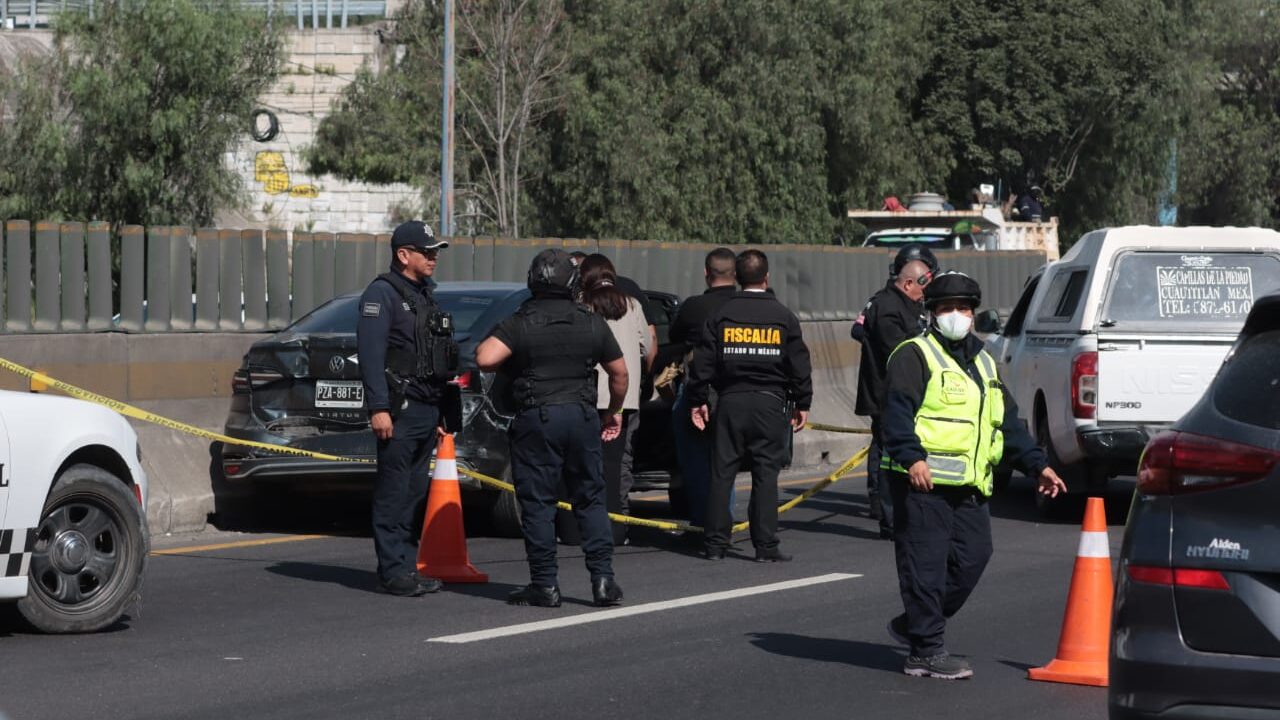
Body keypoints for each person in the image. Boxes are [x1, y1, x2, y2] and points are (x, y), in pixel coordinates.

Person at [881, 271, 1067, 679]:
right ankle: (925, 650)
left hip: (969, 484)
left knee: (973, 559)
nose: (955, 315)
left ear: (973, 312)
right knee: (925, 567)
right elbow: (895, 414)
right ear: (932, 314)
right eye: (946, 308)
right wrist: (912, 458)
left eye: (962, 308)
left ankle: (916, 623)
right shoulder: (914, 355)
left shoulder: (983, 361)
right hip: (922, 483)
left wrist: (1038, 464)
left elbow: (1007, 422)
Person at [476, 248, 629, 608]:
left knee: (538, 504)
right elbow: (619, 374)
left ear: (533, 281)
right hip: (581, 416)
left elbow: (484, 357)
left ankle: (545, 584)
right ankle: (603, 580)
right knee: (590, 499)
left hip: (537, 420)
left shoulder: (521, 320)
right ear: (573, 283)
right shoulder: (590, 321)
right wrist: (614, 411)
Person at [686, 250, 812, 562]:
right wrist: (803, 400)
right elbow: (799, 364)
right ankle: (765, 546)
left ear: (738, 279)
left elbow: (702, 363)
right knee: (766, 475)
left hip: (730, 402)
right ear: (766, 278)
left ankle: (715, 545)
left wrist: (698, 400)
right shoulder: (784, 316)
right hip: (770, 404)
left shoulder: (721, 314)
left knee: (722, 473)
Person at [356, 220, 458, 597]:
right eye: (426, 251)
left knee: (414, 492)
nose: (433, 258)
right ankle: (392, 571)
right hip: (399, 409)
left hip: (427, 408)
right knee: (393, 492)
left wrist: (443, 412)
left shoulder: (425, 295)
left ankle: (406, 566)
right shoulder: (381, 294)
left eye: (435, 251)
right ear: (403, 255)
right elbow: (370, 355)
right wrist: (378, 407)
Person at [853, 244, 938, 538]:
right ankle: (887, 515)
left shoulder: (909, 304)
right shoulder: (886, 306)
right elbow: (899, 350)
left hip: (902, 391)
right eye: (922, 287)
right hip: (886, 392)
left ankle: (897, 511)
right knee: (887, 453)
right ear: (908, 282)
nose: (924, 295)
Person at [569, 251, 657, 513]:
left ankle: (582, 519)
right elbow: (648, 348)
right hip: (624, 399)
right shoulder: (632, 304)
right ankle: (617, 519)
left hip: (587, 395)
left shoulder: (581, 305)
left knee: (582, 460)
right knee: (619, 463)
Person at [668, 247, 738, 527]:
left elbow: (674, 338)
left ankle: (701, 521)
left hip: (698, 391)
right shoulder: (743, 305)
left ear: (706, 274)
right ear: (735, 274)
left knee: (695, 462)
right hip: (736, 393)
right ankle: (724, 520)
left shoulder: (694, 306)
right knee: (725, 462)